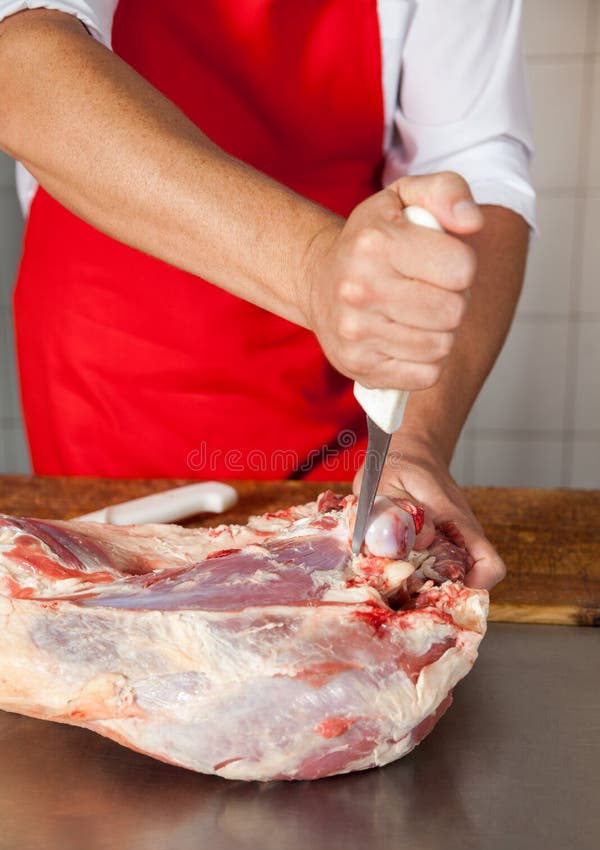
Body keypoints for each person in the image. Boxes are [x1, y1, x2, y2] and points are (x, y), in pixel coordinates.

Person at [0, 1, 535, 590]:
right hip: (109, 385)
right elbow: (20, 59)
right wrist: (312, 266)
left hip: (330, 398)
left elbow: (475, 166)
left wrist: (416, 441)